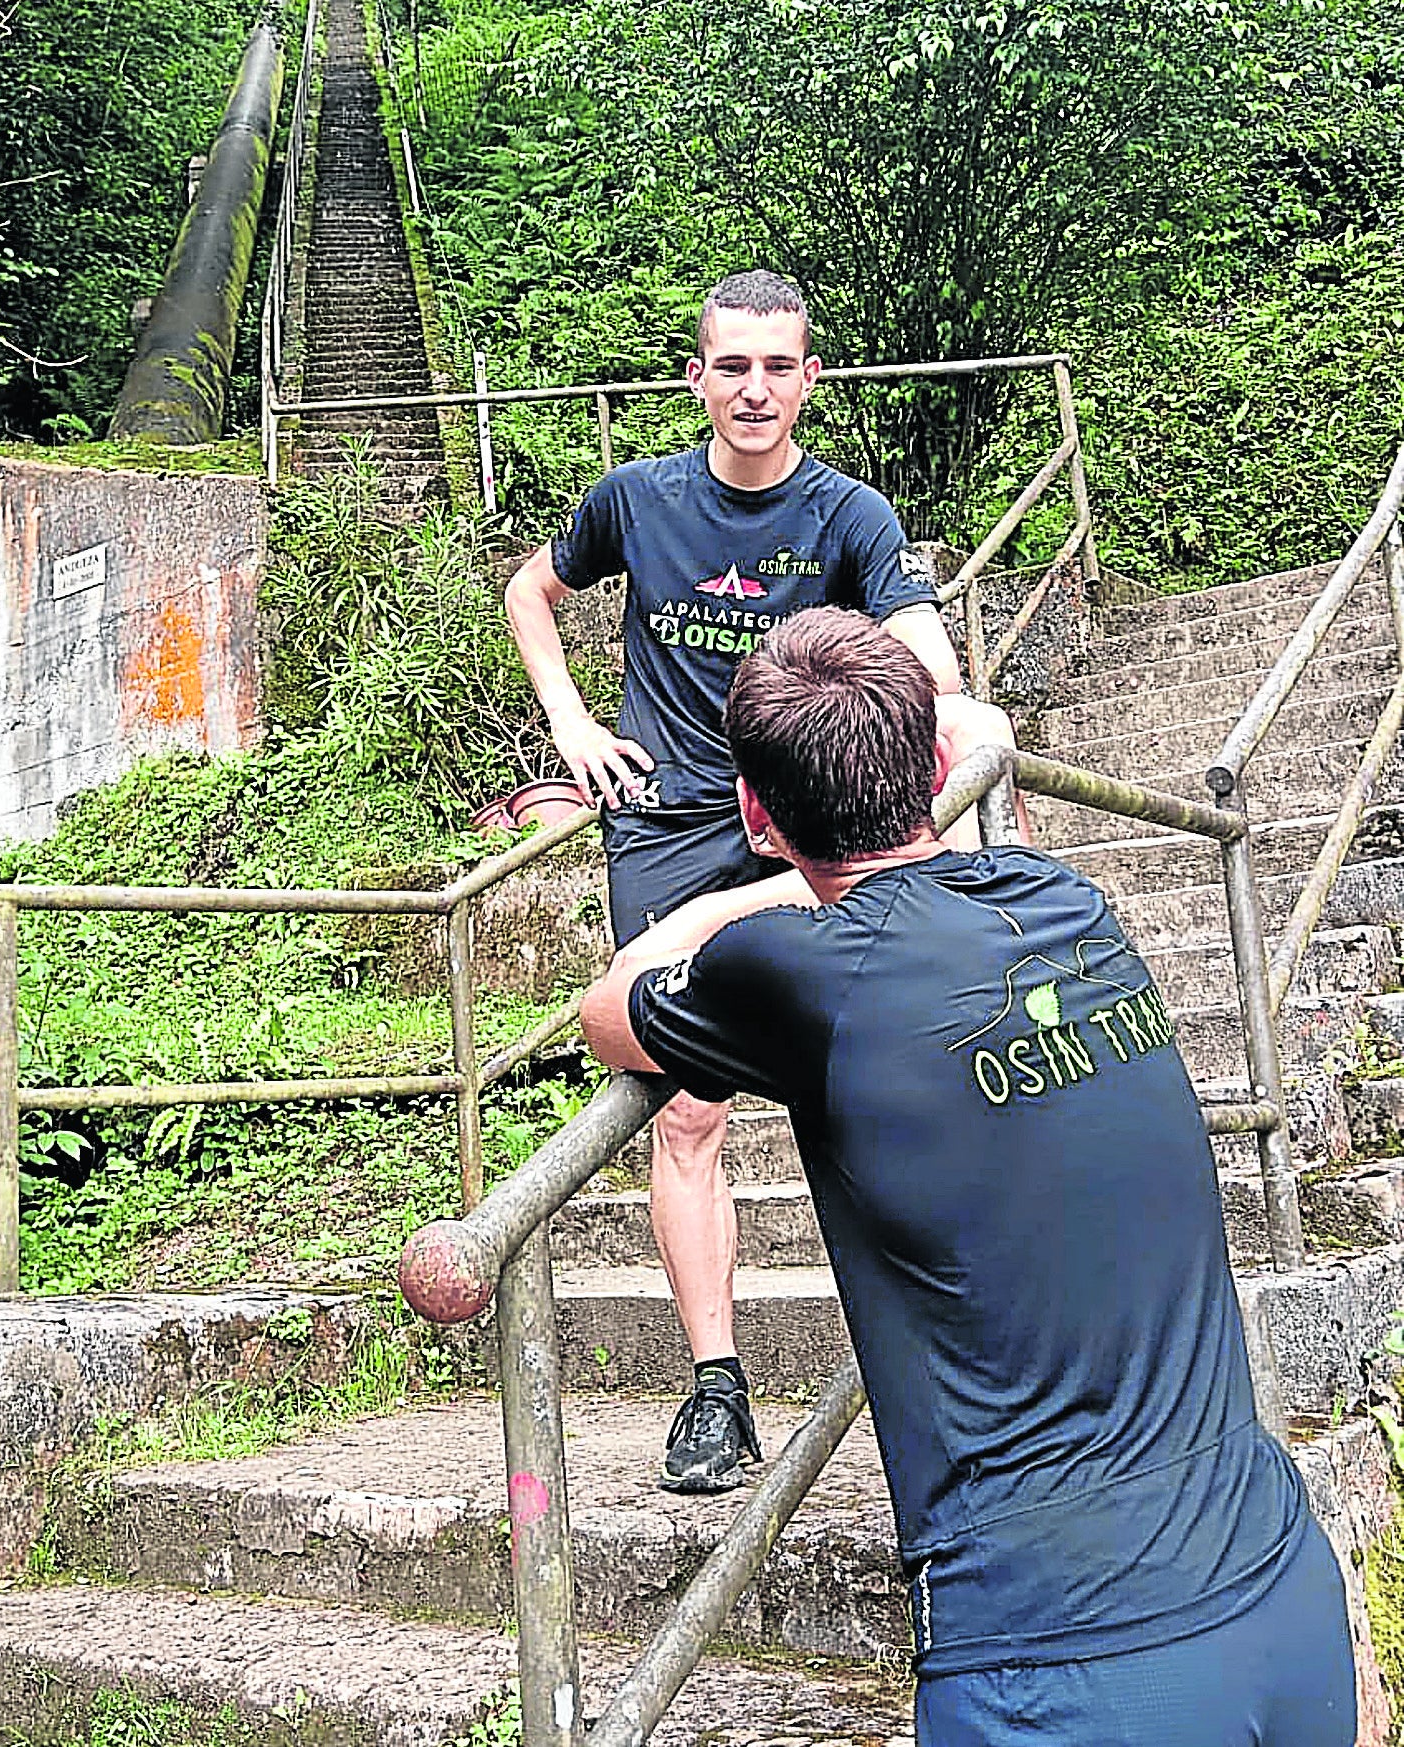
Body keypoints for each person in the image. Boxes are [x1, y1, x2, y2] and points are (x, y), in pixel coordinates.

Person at [579, 608, 1357, 1747]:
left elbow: (612, 1011)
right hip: (1279, 1591)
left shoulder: (805, 973)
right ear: (938, 768)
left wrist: (771, 889)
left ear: (756, 812)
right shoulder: (1070, 907)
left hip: (1061, 1662)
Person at [504, 267, 1022, 1493]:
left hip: (811, 822)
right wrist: (571, 721)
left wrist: (952, 712)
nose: (753, 388)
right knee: (684, 1108)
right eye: (730, 365)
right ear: (697, 378)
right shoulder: (633, 499)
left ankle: (964, 1347)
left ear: (808, 379)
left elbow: (917, 645)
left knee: (906, 1058)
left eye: (776, 366)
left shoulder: (849, 516)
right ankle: (716, 1391)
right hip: (671, 820)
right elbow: (533, 589)